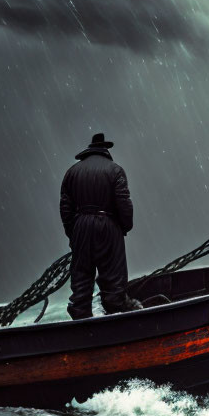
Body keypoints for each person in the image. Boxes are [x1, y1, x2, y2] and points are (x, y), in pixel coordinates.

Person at [59, 132, 141, 319]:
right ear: (105, 150)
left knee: (81, 277)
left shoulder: (72, 172)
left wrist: (73, 232)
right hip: (108, 225)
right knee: (113, 277)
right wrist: (124, 227)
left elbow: (65, 207)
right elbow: (124, 203)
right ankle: (115, 319)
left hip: (80, 225)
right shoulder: (115, 170)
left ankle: (81, 324)